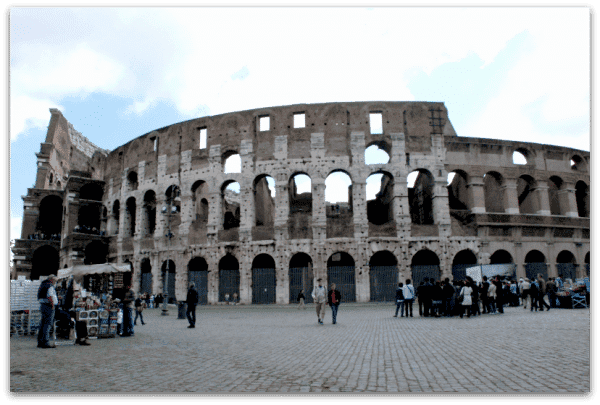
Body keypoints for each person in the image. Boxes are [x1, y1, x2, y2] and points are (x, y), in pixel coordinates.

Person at [37, 275, 58, 348]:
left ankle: (40, 341)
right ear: (52, 280)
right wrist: (52, 305)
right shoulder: (50, 285)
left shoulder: (43, 284)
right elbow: (50, 296)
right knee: (47, 324)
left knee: (43, 324)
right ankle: (45, 342)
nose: (55, 282)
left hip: (43, 305)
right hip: (48, 306)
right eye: (55, 281)